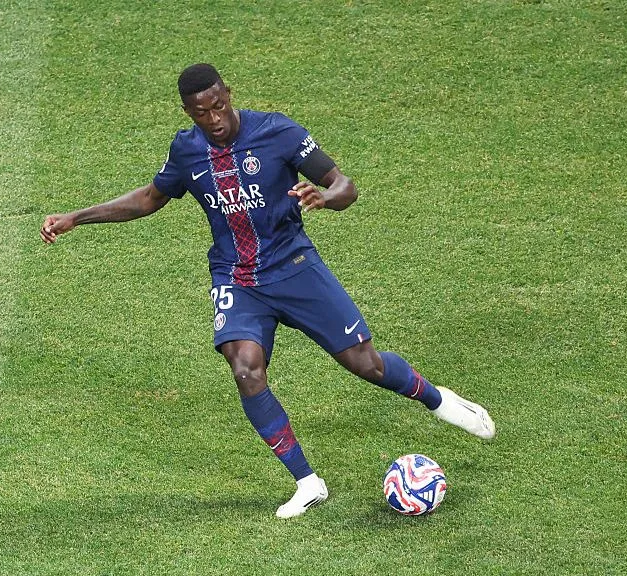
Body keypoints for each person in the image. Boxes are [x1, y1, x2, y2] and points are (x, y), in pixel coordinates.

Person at [40, 63, 495, 519]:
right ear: (187, 112)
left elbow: (344, 186)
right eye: (202, 113)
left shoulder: (277, 132)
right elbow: (148, 198)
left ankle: (440, 400)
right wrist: (76, 218)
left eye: (219, 106)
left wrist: (325, 198)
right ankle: (307, 481)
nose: (214, 118)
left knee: (366, 365)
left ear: (229, 95)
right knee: (246, 369)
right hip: (237, 278)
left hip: (295, 268)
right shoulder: (187, 151)